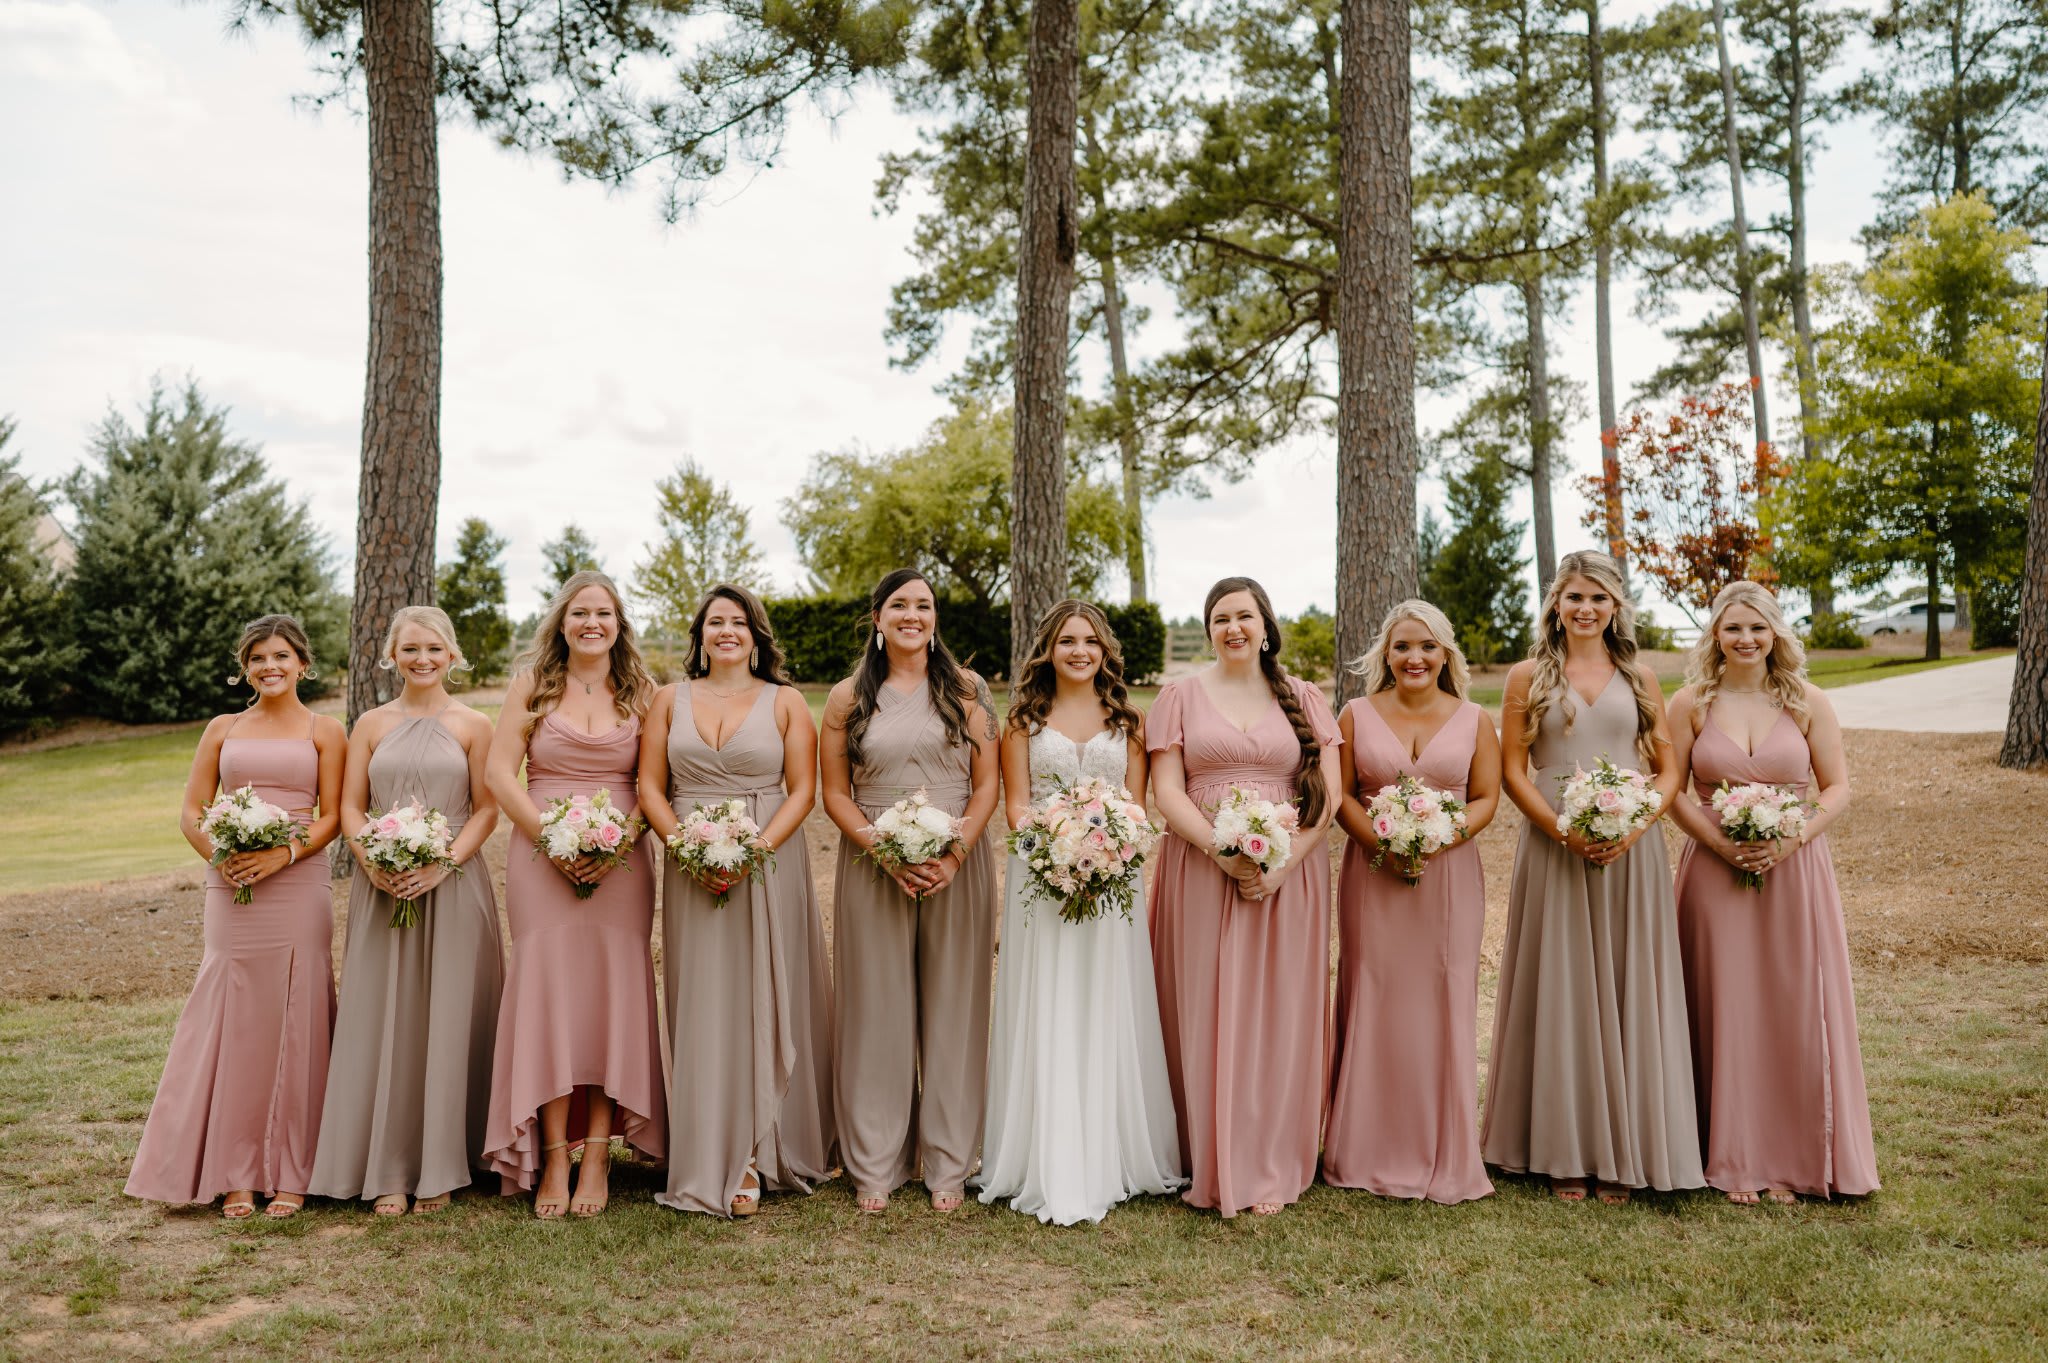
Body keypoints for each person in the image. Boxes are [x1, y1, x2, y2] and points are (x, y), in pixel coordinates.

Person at [1481, 550, 1704, 1204]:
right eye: (1574, 596)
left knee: (1630, 982)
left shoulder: (1640, 677)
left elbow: (1668, 770)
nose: (1586, 608)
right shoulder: (1527, 676)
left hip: (1631, 849)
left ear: (1615, 606)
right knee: (1563, 984)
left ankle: (1627, 1146)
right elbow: (1514, 770)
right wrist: (1562, 828)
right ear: (1556, 602)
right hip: (1554, 842)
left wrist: (1635, 826)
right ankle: (1565, 1149)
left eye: (1598, 598)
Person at [126, 614, 345, 1218]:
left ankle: (296, 1170)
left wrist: (283, 854)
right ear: (244, 668)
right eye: (257, 658)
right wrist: (223, 859)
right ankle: (236, 1170)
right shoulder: (222, 729)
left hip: (298, 882)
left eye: (280, 656)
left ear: (302, 663)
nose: (269, 667)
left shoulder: (326, 730)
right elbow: (192, 810)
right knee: (235, 1019)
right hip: (231, 885)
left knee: (299, 1017)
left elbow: (331, 815)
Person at [1667, 581, 1878, 1203]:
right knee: (1724, 1002)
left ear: (1776, 633)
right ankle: (1731, 1154)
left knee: (1792, 1000)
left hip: (1795, 871)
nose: (1746, 639)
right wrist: (1720, 843)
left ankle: (1790, 1155)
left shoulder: (1807, 700)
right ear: (1715, 635)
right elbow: (1671, 791)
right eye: (1733, 628)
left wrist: (1791, 840)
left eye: (1757, 627)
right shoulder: (1690, 704)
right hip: (1713, 871)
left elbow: (1837, 788)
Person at [976, 601, 1184, 1225]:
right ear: (1048, 649)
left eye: (1090, 641)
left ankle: (1111, 1148)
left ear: (1104, 651)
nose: (1079, 651)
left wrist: (1106, 851)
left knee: (1106, 995)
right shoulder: (1022, 722)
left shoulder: (1129, 719)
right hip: (1042, 875)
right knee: (1047, 995)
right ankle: (1042, 1151)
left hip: (1113, 876)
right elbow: (1016, 806)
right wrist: (1055, 849)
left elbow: (1138, 806)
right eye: (1067, 640)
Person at [638, 585, 836, 1218]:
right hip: (690, 862)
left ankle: (760, 1147)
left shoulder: (786, 702)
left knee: (766, 992)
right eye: (716, 622)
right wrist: (685, 849)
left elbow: (803, 791)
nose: (727, 631)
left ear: (756, 636)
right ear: (700, 635)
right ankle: (707, 1145)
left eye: (739, 622)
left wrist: (754, 850)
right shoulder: (668, 700)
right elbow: (650, 787)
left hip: (768, 858)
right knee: (702, 997)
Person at [1146, 576, 1342, 1217]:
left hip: (1290, 874)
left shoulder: (1305, 698)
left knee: (1280, 1008)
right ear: (1209, 630)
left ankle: (1269, 1156)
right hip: (1201, 869)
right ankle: (1204, 1151)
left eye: (1244, 616)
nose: (1233, 628)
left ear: (1265, 627)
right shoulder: (1178, 697)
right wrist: (1219, 851)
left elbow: (1330, 798)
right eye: (1221, 619)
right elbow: (1167, 791)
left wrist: (1281, 868)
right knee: (1203, 1004)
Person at [482, 571, 666, 1218]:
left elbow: (655, 786)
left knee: (612, 997)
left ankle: (598, 1155)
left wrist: (619, 843)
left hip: (623, 865)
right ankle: (555, 1153)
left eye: (604, 613)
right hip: (541, 859)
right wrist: (552, 841)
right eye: (580, 612)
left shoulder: (644, 691)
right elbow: (500, 773)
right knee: (550, 996)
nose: (592, 623)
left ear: (619, 623)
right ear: (561, 621)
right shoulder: (532, 684)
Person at [309, 606, 503, 1214]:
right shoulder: (369, 723)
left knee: (448, 1015)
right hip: (383, 884)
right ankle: (388, 1165)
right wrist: (371, 862)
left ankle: (443, 1163)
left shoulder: (475, 724)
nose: (423, 659)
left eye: (434, 649)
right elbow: (350, 806)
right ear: (391, 655)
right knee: (384, 1016)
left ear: (452, 655)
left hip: (454, 883)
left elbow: (487, 810)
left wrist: (441, 863)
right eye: (411, 649)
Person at [819, 568, 999, 1214]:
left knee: (955, 1007)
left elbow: (987, 784)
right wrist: (883, 850)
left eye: (923, 604)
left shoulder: (968, 689)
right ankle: (877, 1159)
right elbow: (834, 792)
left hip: (958, 860)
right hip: (873, 862)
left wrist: (955, 854)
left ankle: (949, 1159)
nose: (912, 615)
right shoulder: (846, 697)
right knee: (877, 1010)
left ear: (934, 618)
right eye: (899, 604)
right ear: (877, 617)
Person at [1325, 600, 1498, 1204]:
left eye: (1427, 646)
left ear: (1446, 654)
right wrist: (1386, 844)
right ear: (1386, 654)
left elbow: (1485, 799)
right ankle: (1363, 1148)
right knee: (1373, 992)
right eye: (1402, 646)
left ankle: (1443, 1148)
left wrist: (1435, 838)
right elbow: (1344, 796)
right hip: (1374, 875)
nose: (1414, 657)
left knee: (1444, 996)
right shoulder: (1355, 714)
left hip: (1449, 878)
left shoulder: (1474, 719)